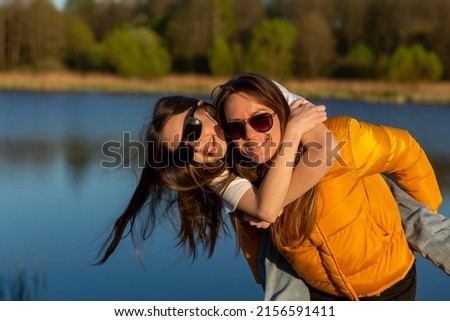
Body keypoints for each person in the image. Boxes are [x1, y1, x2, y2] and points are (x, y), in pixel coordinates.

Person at [96, 78, 449, 300]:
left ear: (204, 109)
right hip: (322, 295)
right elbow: (257, 237)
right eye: (185, 150)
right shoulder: (222, 174)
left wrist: (425, 208)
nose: (198, 144)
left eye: (192, 130)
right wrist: (264, 214)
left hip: (391, 285)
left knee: (396, 201)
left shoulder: (300, 115)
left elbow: (393, 151)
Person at [212, 72, 444, 300]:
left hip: (392, 287)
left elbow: (406, 152)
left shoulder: (344, 139)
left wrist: (423, 216)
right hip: (320, 296)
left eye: (260, 120)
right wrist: (261, 278)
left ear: (282, 113)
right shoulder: (246, 179)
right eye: (236, 128)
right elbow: (252, 237)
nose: (250, 135)